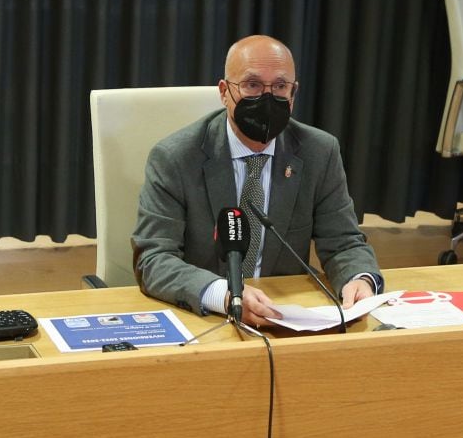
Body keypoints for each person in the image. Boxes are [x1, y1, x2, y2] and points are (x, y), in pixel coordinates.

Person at [132, 34, 382, 327]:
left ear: (293, 93)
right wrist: (225, 296)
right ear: (224, 92)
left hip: (285, 314)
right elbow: (154, 258)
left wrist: (360, 279)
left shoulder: (319, 152)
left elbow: (343, 242)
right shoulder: (175, 158)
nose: (267, 98)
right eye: (252, 85)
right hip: (200, 316)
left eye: (279, 86)